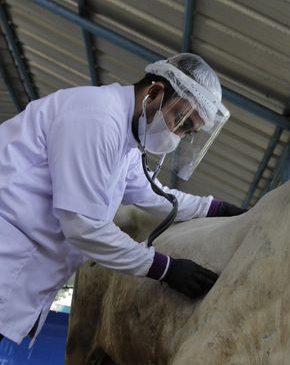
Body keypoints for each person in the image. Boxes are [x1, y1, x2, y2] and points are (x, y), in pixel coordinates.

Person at [0, 53, 245, 345]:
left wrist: (215, 208)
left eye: (187, 131)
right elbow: (82, 225)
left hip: (19, 274)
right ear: (154, 92)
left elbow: (153, 194)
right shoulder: (97, 119)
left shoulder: (126, 142)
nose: (178, 135)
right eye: (180, 120)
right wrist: (165, 268)